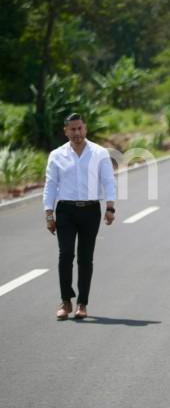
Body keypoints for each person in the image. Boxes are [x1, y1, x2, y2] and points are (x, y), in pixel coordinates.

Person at [43, 113, 116, 320]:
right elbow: (50, 185)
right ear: (65, 131)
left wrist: (110, 207)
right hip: (65, 210)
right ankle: (66, 301)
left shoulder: (99, 153)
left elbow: (109, 181)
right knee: (65, 254)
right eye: (72, 129)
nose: (77, 133)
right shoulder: (56, 155)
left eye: (80, 128)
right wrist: (49, 213)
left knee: (85, 257)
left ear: (85, 129)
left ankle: (82, 303)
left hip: (91, 210)